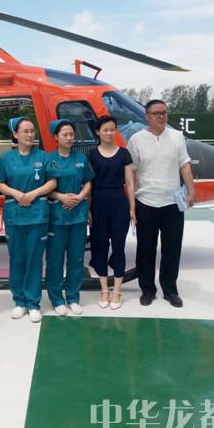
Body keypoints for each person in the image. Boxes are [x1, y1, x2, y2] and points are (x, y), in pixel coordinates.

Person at [127, 99, 195, 308]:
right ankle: (147, 290)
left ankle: (170, 290)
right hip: (145, 201)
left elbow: (184, 165)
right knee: (145, 249)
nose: (161, 116)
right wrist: (132, 204)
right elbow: (132, 172)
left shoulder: (177, 137)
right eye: (156, 113)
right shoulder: (136, 140)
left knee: (172, 249)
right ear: (147, 117)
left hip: (172, 202)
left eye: (164, 112)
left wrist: (191, 190)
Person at [0, 117, 57, 323]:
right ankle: (19, 301)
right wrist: (16, 193)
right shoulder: (6, 159)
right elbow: (0, 184)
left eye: (32, 131)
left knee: (34, 258)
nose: (30, 135)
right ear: (15, 134)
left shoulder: (43, 156)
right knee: (16, 258)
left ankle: (33, 303)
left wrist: (32, 194)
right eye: (26, 131)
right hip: (15, 215)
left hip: (37, 214)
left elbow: (52, 182)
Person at [46, 119, 94, 316]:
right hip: (57, 217)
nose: (69, 138)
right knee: (55, 260)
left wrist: (80, 197)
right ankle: (57, 299)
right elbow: (45, 188)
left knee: (76, 258)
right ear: (56, 137)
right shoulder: (49, 159)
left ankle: (73, 297)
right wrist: (60, 197)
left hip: (78, 216)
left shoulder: (81, 159)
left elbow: (88, 182)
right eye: (64, 134)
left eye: (71, 134)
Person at [88, 115, 135, 310]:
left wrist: (132, 208)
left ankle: (117, 291)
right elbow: (88, 184)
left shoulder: (124, 154)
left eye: (112, 129)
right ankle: (104, 290)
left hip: (119, 203)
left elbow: (130, 182)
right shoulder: (91, 154)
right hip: (98, 203)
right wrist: (88, 209)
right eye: (105, 130)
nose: (109, 133)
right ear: (97, 132)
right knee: (99, 246)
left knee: (118, 246)